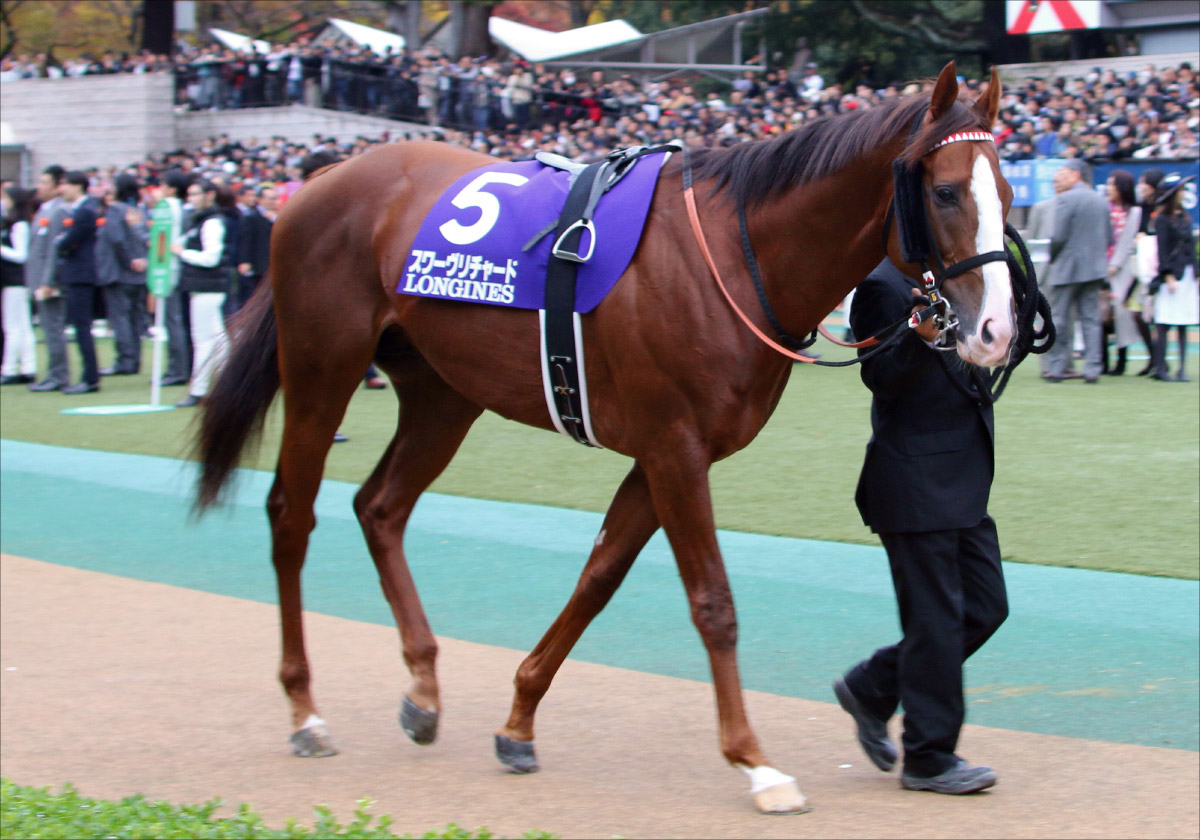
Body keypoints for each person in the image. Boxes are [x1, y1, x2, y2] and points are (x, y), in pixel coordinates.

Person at [833, 257, 1007, 796]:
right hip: (912, 478)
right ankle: (929, 756)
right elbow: (879, 377)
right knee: (937, 620)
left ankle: (873, 685)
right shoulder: (881, 286)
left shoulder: (962, 274)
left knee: (985, 608)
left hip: (963, 474)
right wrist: (917, 334)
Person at [1044, 159, 1112, 383]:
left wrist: (1052, 257)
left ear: (1076, 174)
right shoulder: (1101, 201)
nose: (1061, 178)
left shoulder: (1065, 199)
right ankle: (1093, 369)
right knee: (1091, 320)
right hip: (1094, 268)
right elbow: (1109, 237)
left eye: (1064, 173)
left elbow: (1059, 236)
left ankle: (1057, 368)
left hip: (1068, 267)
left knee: (1060, 319)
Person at [171, 180, 231, 407]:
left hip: (208, 286)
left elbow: (211, 258)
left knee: (204, 340)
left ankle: (199, 390)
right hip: (206, 286)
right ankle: (227, 384)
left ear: (209, 195)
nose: (191, 199)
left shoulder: (211, 223)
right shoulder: (203, 221)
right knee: (218, 339)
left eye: (195, 194)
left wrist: (182, 253)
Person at [95, 173, 148, 375]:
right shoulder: (139, 210)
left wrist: (128, 260)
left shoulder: (116, 210)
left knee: (120, 319)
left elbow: (116, 238)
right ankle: (134, 360)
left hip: (119, 272)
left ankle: (125, 360)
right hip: (138, 273)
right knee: (135, 318)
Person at [55, 170, 102, 394]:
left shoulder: (84, 212)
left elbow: (69, 241)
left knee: (82, 327)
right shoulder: (81, 210)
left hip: (80, 275)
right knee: (81, 327)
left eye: (65, 184)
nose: (61, 189)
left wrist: (62, 243)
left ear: (77, 186)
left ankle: (90, 378)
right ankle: (89, 377)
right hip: (78, 274)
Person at [1147, 173, 1198, 382]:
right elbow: (1163, 250)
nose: (1183, 194)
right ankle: (1161, 367)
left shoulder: (1184, 216)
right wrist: (1167, 275)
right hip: (1173, 276)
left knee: (1184, 321)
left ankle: (1182, 368)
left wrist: (1197, 272)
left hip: (1186, 275)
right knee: (1164, 322)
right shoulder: (1162, 219)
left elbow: (1191, 249)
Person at [26, 165, 70, 391]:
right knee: (47, 327)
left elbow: (54, 250)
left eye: (45, 183)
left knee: (53, 327)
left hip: (48, 281)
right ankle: (53, 373)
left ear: (57, 186)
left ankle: (59, 375)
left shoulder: (59, 211)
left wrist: (48, 281)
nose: (40, 187)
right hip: (37, 277)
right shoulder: (44, 210)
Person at [1102, 170, 1143, 376]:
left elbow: (1127, 242)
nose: (1108, 188)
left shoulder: (1134, 212)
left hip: (1122, 269)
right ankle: (1103, 360)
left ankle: (1121, 360)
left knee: (1121, 312)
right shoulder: (1105, 209)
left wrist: (1114, 266)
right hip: (1103, 266)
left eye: (1112, 184)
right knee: (1102, 313)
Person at [160, 168, 193, 387]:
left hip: (173, 270)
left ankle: (178, 369)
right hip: (182, 270)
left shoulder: (170, 210)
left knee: (174, 322)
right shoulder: (185, 211)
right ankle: (181, 367)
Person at [1, 185, 37, 384]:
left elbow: (21, 255)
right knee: (22, 326)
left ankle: (10, 369)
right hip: (14, 280)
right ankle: (27, 366)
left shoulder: (20, 224)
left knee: (14, 326)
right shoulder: (14, 222)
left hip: (16, 280)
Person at [1132, 169, 1166, 376]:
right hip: (1143, 268)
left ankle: (1159, 361)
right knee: (1138, 314)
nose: (1141, 186)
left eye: (1144, 183)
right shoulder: (1142, 207)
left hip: (1160, 270)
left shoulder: (1163, 208)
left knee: (1159, 317)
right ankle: (1154, 357)